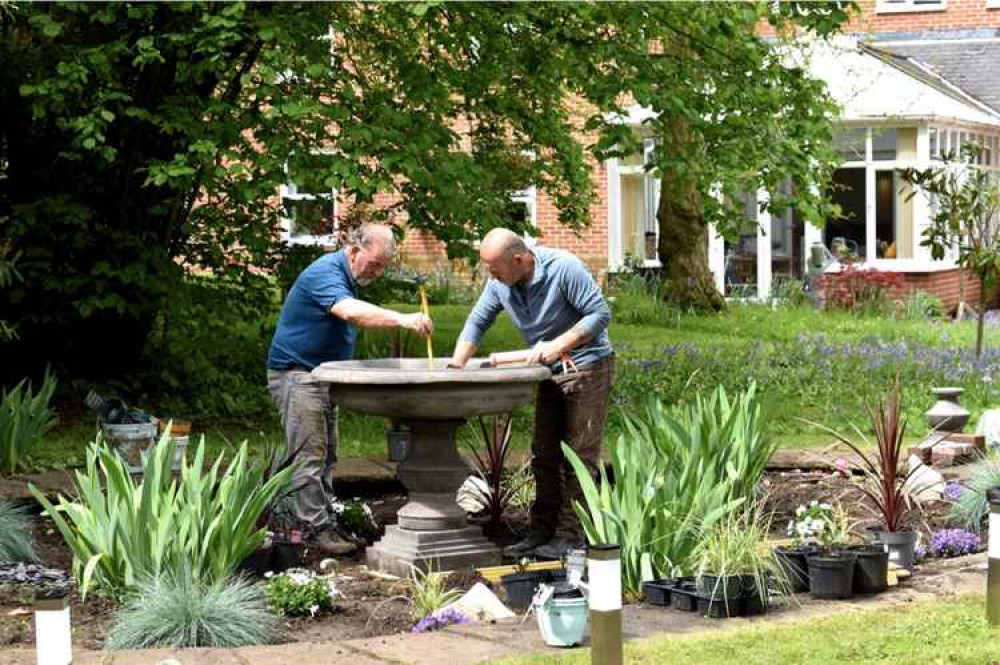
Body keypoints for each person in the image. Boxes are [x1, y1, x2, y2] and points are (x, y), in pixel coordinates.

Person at [267, 223, 433, 555]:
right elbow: (350, 312)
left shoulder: (345, 275)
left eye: (384, 266)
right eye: (375, 264)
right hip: (298, 375)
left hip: (321, 376)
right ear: (354, 251)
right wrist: (403, 319)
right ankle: (311, 532)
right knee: (308, 456)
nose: (378, 272)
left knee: (327, 455)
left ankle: (323, 521)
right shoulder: (325, 272)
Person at [449, 228, 614, 560]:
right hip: (546, 372)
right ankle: (541, 531)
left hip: (587, 367)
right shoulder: (500, 284)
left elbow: (600, 315)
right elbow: (477, 321)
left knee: (579, 458)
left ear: (520, 259)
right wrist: (455, 366)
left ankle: (571, 536)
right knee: (543, 454)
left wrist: (557, 345)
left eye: (495, 268)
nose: (490, 275)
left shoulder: (564, 268)